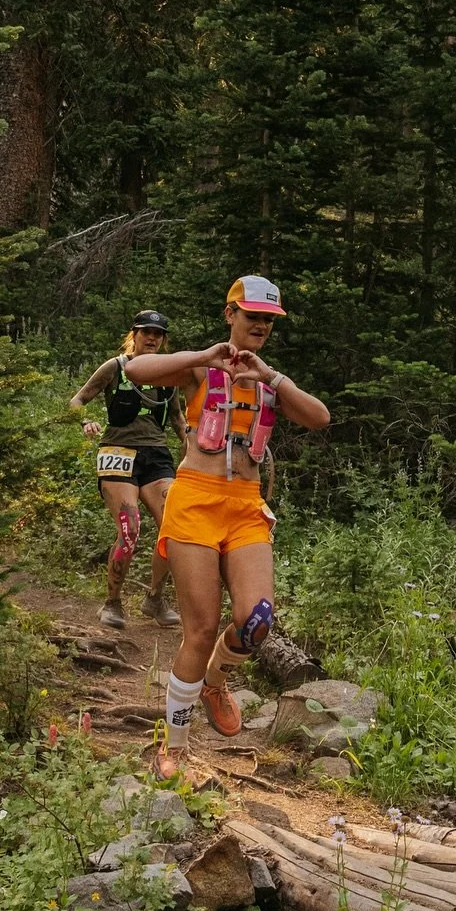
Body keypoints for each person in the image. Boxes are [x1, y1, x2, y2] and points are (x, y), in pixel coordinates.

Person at [123, 274, 329, 778]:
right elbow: (137, 370)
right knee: (200, 627)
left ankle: (216, 682)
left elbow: (319, 418)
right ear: (230, 314)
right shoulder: (198, 370)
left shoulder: (268, 377)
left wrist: (272, 378)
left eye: (267, 319)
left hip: (245, 505)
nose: (259, 325)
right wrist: (201, 358)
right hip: (195, 499)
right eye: (251, 315)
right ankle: (174, 745)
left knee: (256, 619)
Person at [71, 309, 183, 630]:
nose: (151, 338)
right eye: (146, 331)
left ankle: (155, 598)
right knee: (130, 529)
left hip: (157, 457)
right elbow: (77, 400)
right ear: (133, 334)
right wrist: (84, 421)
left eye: (158, 334)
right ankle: (112, 603)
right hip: (117, 452)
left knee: (175, 526)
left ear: (163, 340)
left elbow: (177, 420)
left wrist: (192, 445)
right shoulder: (115, 367)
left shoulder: (169, 375)